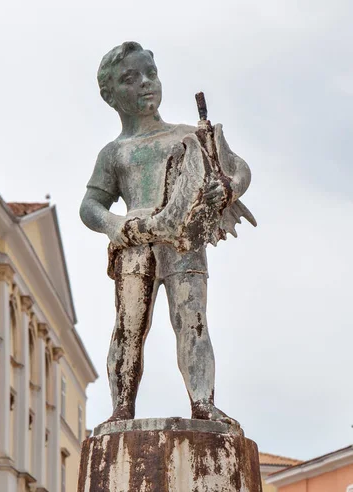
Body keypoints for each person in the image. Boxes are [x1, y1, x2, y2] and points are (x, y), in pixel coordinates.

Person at [80, 41, 253, 425]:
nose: (146, 83)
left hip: (185, 239)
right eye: (131, 78)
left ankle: (203, 403)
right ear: (111, 95)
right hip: (135, 242)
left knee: (192, 321)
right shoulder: (115, 153)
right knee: (129, 328)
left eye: (151, 74)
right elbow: (90, 207)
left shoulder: (190, 136)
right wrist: (116, 226)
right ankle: (121, 409)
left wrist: (227, 188)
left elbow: (239, 169)